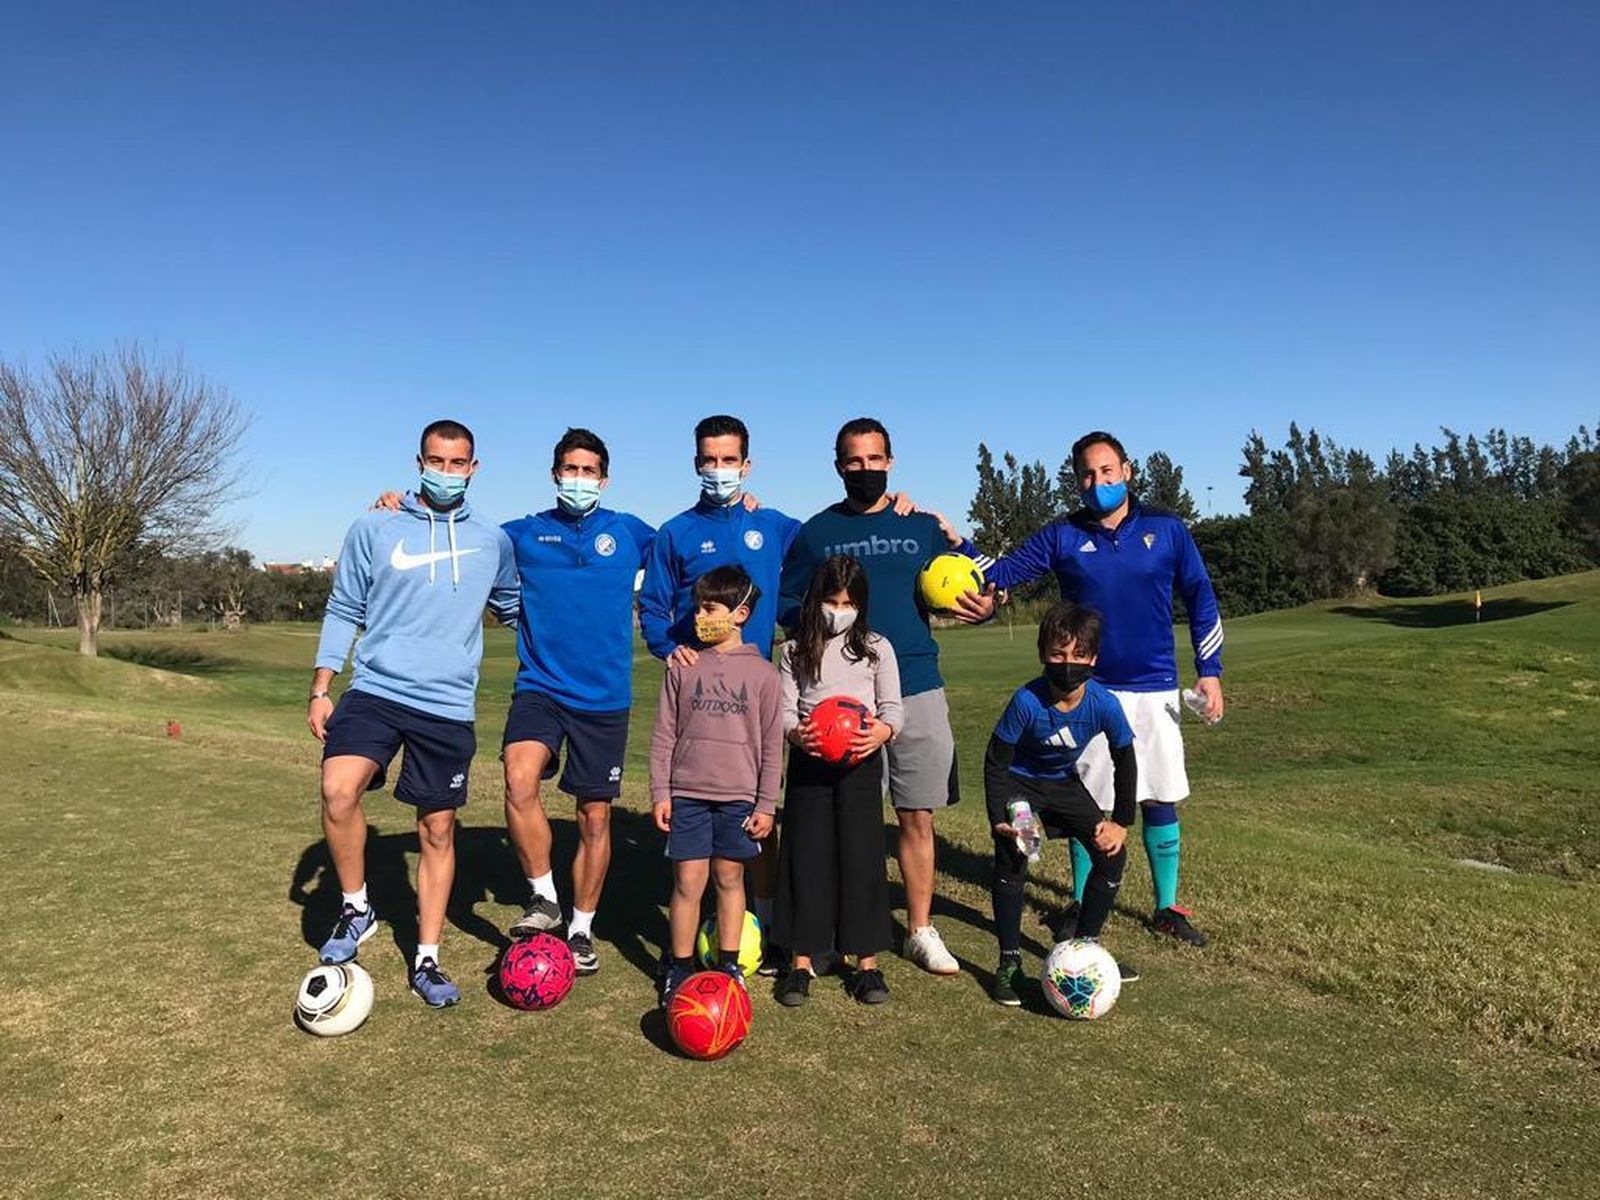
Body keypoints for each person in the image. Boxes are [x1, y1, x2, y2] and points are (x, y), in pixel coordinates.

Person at [954, 430, 1224, 947]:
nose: (1096, 482)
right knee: (1088, 802)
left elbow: (1200, 594)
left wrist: (1208, 669)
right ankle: (1081, 901)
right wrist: (958, 545)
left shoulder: (1167, 529)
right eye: (1086, 474)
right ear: (1076, 480)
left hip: (1154, 686)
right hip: (1088, 691)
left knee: (1159, 798)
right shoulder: (1062, 535)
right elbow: (1005, 572)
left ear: (1127, 470)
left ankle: (1166, 907)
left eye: (1106, 471)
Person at [308, 420, 519, 1008]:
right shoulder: (375, 524)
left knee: (437, 829)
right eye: (436, 460)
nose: (446, 472)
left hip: (447, 704)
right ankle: (356, 910)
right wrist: (322, 685)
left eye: (457, 464)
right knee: (337, 789)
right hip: (376, 689)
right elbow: (343, 605)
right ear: (418, 461)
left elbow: (513, 607)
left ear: (474, 468)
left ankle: (426, 958)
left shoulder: (492, 540)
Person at [779, 418, 983, 976]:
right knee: (842, 822)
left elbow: (978, 576)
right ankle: (828, 929)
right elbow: (788, 603)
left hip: (914, 685)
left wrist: (966, 554)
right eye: (854, 460)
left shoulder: (918, 525)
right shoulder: (815, 533)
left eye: (874, 459)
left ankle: (920, 929)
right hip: (836, 699)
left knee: (917, 815)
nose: (865, 469)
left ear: (890, 461)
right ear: (838, 464)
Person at [637, 415, 799, 963]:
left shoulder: (773, 524)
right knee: (699, 855)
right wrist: (668, 647)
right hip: (699, 700)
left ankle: (768, 918)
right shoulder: (675, 531)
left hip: (755, 685)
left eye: (729, 460)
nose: (718, 470)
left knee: (757, 809)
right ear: (696, 463)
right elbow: (655, 608)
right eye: (709, 459)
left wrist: (917, 517)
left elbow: (829, 545)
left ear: (746, 466)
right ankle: (685, 957)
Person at [499, 428, 655, 975]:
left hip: (603, 695)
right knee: (519, 780)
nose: (579, 480)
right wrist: (402, 504)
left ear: (604, 480)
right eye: (570, 469)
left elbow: (684, 553)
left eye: (589, 471)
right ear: (554, 475)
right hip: (540, 686)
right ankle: (543, 896)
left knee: (593, 816)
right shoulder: (522, 533)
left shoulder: (632, 532)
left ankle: (581, 929)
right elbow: (462, 543)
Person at [986, 602, 1138, 1006]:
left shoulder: (1104, 703)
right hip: (1019, 783)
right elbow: (996, 762)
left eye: (1078, 655)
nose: (1067, 664)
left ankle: (1085, 948)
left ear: (1093, 659)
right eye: (1058, 654)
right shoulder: (1026, 701)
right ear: (1042, 655)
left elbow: (1126, 760)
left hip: (1063, 785)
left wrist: (1120, 822)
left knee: (1111, 855)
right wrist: (998, 817)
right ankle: (1009, 963)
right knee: (1016, 852)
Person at [649, 565, 782, 1003]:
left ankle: (729, 967)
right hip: (687, 794)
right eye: (698, 607)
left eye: (711, 608)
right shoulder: (682, 667)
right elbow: (664, 734)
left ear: (740, 614)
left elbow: (770, 747)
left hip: (738, 800)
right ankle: (680, 968)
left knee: (729, 879)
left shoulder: (763, 675)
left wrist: (765, 804)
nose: (701, 616)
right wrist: (661, 792)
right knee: (688, 882)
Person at [774, 555, 902, 1006]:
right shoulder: (793, 650)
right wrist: (796, 733)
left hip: (861, 763)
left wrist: (881, 734)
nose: (838, 609)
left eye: (848, 602)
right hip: (811, 763)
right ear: (816, 600)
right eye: (831, 600)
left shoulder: (876, 647)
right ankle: (801, 962)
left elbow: (893, 709)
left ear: (861, 605)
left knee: (861, 856)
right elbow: (786, 711)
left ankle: (865, 964)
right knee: (806, 856)